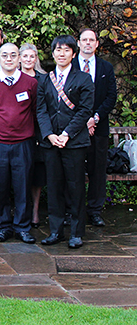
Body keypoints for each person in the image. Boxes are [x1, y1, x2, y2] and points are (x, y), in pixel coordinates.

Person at [0, 42, 38, 244]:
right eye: (5, 55)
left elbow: (36, 110)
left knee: (23, 187)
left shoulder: (30, 83)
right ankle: (3, 226)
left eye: (13, 55)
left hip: (23, 144)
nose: (9, 59)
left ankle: (22, 227)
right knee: (0, 187)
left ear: (19, 58)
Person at [37, 35, 94, 249]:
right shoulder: (45, 80)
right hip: (51, 143)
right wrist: (49, 135)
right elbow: (40, 110)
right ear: (52, 53)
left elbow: (85, 110)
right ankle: (55, 231)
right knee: (54, 186)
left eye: (66, 50)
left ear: (74, 53)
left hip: (75, 142)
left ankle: (77, 232)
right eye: (58, 50)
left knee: (76, 186)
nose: (62, 54)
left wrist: (67, 134)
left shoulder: (83, 79)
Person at [73, 28, 117, 227]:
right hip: (74, 129)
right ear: (79, 43)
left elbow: (111, 97)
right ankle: (73, 210)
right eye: (85, 40)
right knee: (73, 171)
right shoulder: (71, 66)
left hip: (98, 128)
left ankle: (95, 211)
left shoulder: (106, 68)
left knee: (97, 171)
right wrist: (82, 120)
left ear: (97, 44)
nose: (88, 43)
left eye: (92, 40)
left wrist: (95, 118)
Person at [19, 43, 47, 229]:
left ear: (36, 58)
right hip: (19, 131)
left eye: (32, 56)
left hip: (38, 131)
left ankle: (35, 211)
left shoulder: (43, 79)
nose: (29, 60)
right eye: (25, 56)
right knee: (21, 173)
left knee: (36, 174)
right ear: (19, 58)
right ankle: (22, 210)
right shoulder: (14, 78)